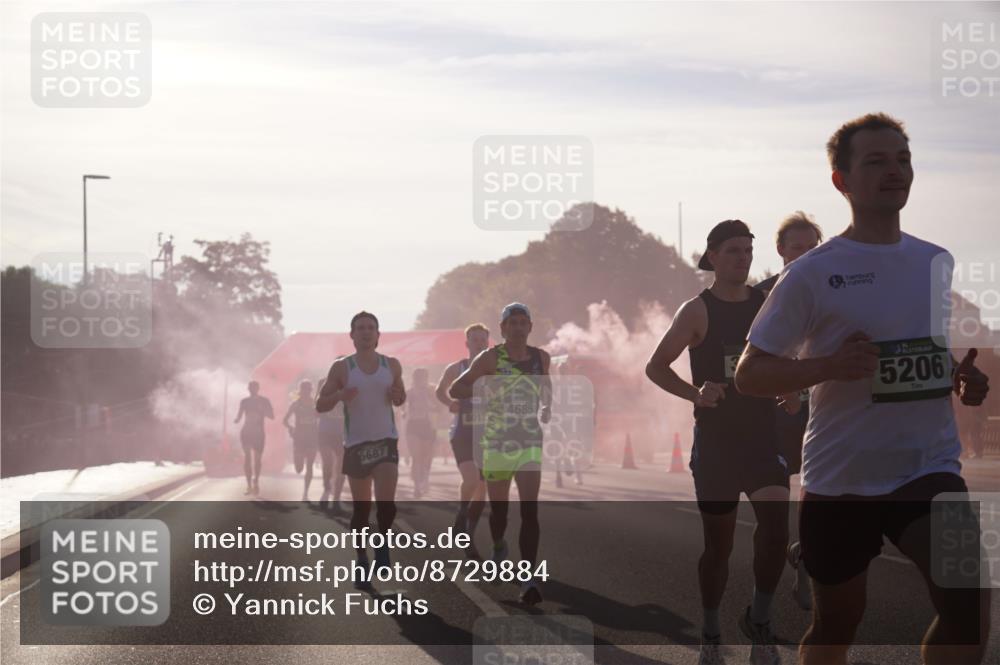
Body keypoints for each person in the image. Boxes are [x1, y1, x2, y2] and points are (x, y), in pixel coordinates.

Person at [735, 112, 991, 665]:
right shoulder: (810, 273)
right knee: (836, 626)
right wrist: (829, 365)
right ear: (842, 181)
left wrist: (958, 377)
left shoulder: (934, 260)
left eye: (903, 159)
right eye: (876, 161)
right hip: (843, 476)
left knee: (968, 607)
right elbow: (750, 374)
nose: (895, 170)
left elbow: (922, 346)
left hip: (928, 466)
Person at [646, 220, 793, 665]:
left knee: (776, 530)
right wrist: (696, 393)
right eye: (733, 251)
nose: (742, 258)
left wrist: (790, 387)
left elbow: (785, 358)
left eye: (748, 250)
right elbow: (656, 366)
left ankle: (760, 620)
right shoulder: (697, 310)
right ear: (712, 256)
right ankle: (711, 629)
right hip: (716, 446)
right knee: (719, 547)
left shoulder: (766, 305)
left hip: (762, 440)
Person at [449, 303, 551, 606]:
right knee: (500, 512)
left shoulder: (540, 357)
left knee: (530, 511)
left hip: (529, 440)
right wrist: (484, 389)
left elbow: (546, 387)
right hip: (496, 443)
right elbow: (456, 389)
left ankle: (528, 578)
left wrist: (547, 404)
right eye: (512, 323)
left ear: (530, 327)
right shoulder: (490, 358)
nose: (518, 328)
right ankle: (497, 546)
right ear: (503, 328)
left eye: (523, 323)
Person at [755, 211, 823, 611]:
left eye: (813, 247)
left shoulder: (833, 290)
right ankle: (762, 606)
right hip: (773, 414)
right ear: (780, 250)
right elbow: (747, 361)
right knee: (777, 511)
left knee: (821, 495)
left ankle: (804, 554)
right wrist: (784, 387)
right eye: (798, 248)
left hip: (822, 410)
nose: (806, 255)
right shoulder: (761, 295)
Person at [316, 311, 405, 587]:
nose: (366, 332)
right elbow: (320, 404)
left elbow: (401, 397)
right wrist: (339, 395)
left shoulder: (391, 365)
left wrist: (397, 395)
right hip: (356, 444)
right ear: (352, 335)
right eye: (360, 328)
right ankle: (362, 558)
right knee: (361, 511)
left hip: (386, 440)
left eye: (370, 328)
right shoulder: (342, 367)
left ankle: (382, 546)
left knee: (386, 504)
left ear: (378, 335)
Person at [436, 323, 491, 559]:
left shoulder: (495, 370)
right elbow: (439, 391)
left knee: (482, 490)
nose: (479, 343)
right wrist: (450, 403)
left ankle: (468, 535)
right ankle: (461, 513)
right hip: (462, 433)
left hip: (487, 434)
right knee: (471, 478)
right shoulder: (456, 368)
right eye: (474, 339)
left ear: (488, 343)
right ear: (467, 343)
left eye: (482, 339)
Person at [233, 381, 274, 495]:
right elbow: (239, 415)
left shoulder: (264, 401)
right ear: (248, 389)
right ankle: (249, 485)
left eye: (254, 388)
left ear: (258, 389)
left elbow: (272, 416)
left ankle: (256, 481)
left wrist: (263, 410)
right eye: (251, 388)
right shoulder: (244, 401)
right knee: (247, 458)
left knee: (257, 460)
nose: (252, 390)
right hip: (246, 432)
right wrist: (236, 420)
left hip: (259, 434)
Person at [283, 380, 319, 501]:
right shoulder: (295, 404)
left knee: (309, 466)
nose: (306, 392)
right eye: (304, 390)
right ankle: (298, 459)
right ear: (300, 391)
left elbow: (322, 417)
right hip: (299, 438)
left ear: (311, 390)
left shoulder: (315, 404)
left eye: (308, 390)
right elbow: (285, 420)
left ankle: (305, 493)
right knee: (299, 469)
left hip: (312, 438)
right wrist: (290, 428)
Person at [405, 368, 438, 498]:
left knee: (426, 457)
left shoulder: (432, 390)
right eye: (418, 378)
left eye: (423, 378)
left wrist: (430, 398)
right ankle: (417, 487)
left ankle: (425, 478)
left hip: (428, 425)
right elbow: (401, 407)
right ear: (414, 379)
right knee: (416, 457)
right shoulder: (409, 392)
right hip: (413, 425)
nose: (421, 381)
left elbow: (439, 407)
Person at [316, 374, 347, 512]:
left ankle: (336, 499)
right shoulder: (323, 386)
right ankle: (327, 488)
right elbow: (316, 409)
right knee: (327, 461)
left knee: (341, 468)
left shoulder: (348, 388)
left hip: (342, 434)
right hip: (325, 432)